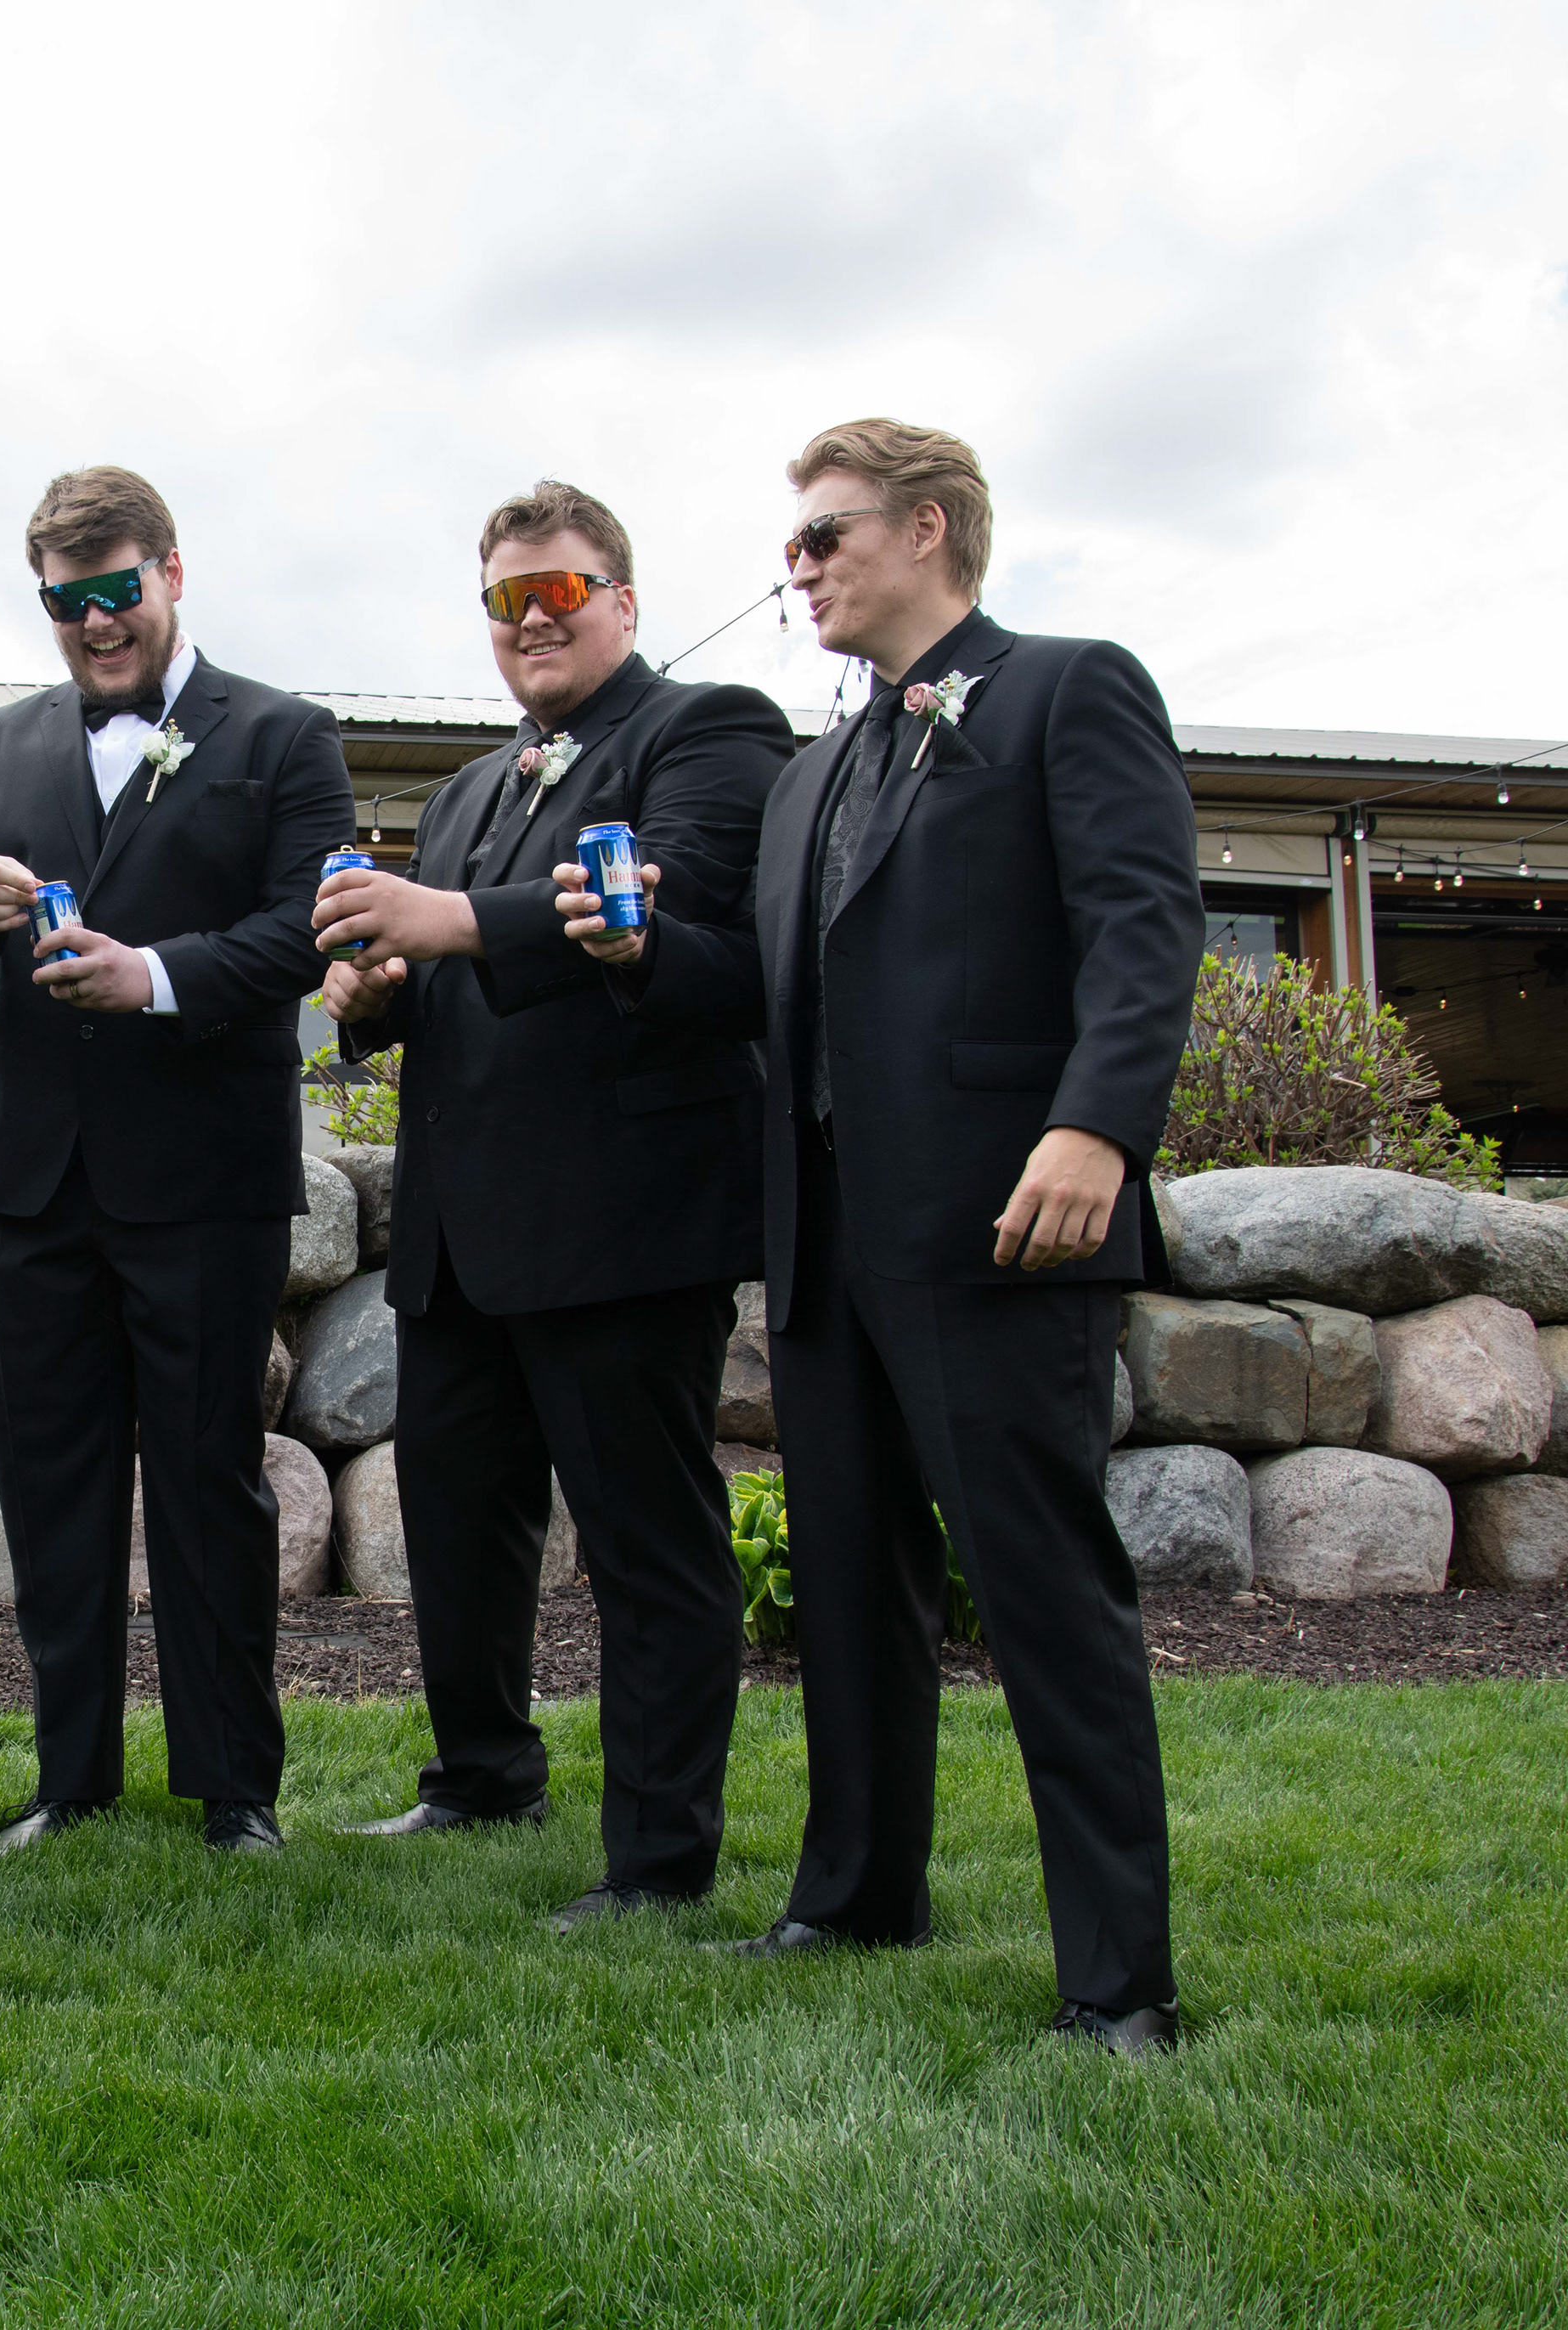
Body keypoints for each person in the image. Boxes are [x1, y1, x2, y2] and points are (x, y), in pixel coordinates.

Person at [563, 420, 1202, 2055]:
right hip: (825, 1239)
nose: (799, 568)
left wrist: (1097, 1126)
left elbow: (1144, 925)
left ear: (929, 528)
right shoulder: (813, 772)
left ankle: (1119, 1983)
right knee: (849, 1584)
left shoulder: (1067, 691)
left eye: (825, 535)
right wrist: (641, 956)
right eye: (793, 544)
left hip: (1004, 1222)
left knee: (1043, 1590)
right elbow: (759, 992)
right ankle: (856, 1898)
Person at [314, 481, 791, 1925]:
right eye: (505, 599)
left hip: (625, 1221)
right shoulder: (469, 791)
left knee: (648, 1544)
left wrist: (445, 918)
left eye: (560, 592)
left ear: (623, 602)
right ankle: (480, 1780)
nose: (531, 620)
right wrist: (377, 998)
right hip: (462, 1234)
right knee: (460, 1530)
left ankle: (657, 1859)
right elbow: (449, 987)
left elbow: (682, 915)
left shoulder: (710, 732)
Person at [0, 465, 353, 1855]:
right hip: (32, 1181)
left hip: (205, 1179)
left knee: (211, 1479)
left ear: (171, 573)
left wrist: (152, 975)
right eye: (65, 601)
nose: (95, 622)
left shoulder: (284, 734)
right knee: (50, 1483)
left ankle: (235, 1791)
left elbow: (309, 929)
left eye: (116, 591)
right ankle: (69, 1780)